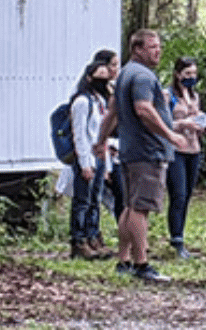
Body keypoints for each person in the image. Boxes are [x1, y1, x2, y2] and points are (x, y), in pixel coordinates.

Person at [96, 29, 177, 283]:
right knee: (141, 208)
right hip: (147, 150)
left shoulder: (124, 74)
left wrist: (101, 141)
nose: (158, 51)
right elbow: (143, 109)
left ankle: (124, 259)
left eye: (159, 46)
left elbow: (112, 113)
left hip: (131, 150)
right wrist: (171, 136)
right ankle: (142, 264)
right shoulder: (142, 76)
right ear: (137, 49)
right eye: (152, 46)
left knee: (131, 206)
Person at [66, 53, 117, 259]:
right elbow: (80, 135)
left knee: (95, 200)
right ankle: (78, 242)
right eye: (99, 76)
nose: (104, 80)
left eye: (107, 76)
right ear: (89, 78)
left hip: (101, 156)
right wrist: (85, 163)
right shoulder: (82, 101)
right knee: (82, 201)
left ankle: (92, 237)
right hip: (86, 157)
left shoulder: (101, 102)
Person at [165, 56, 206, 259]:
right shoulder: (168, 96)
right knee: (178, 195)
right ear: (177, 74)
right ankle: (176, 239)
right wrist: (183, 124)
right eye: (187, 74)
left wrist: (199, 127)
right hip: (176, 150)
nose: (191, 77)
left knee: (188, 194)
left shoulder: (195, 96)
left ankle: (181, 234)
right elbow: (162, 125)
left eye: (194, 74)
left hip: (194, 149)